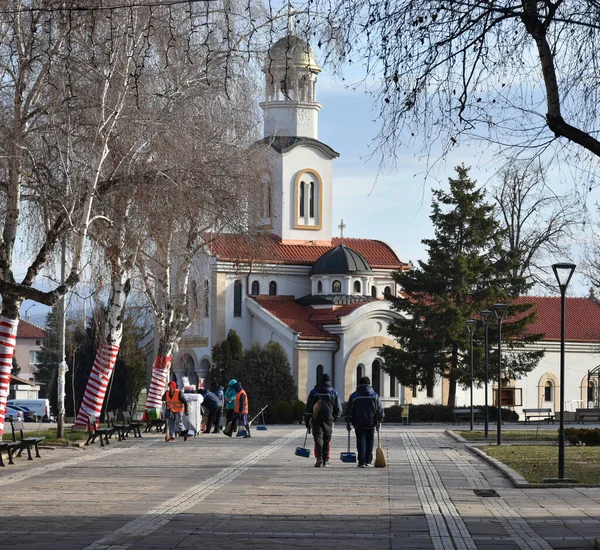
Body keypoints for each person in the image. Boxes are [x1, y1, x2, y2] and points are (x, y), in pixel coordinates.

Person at [345, 376, 384, 468]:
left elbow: (350, 410)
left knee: (360, 441)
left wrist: (349, 421)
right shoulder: (374, 395)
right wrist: (380, 420)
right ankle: (368, 460)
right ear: (369, 384)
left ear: (359, 384)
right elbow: (380, 409)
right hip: (371, 422)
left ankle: (361, 461)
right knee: (370, 441)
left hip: (358, 422)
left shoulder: (354, 396)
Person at [305, 373, 342, 467]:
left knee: (318, 437)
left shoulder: (314, 392)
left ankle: (319, 458)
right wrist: (336, 416)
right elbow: (338, 408)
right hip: (328, 418)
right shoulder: (333, 392)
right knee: (327, 438)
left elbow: (309, 407)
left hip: (316, 417)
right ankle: (326, 459)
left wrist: (307, 419)